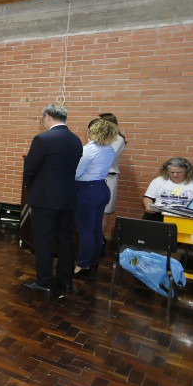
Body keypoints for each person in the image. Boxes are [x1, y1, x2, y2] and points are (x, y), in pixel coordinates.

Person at [22, 104, 83, 294]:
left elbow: (30, 169)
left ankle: (45, 281)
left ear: (47, 117)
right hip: (67, 197)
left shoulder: (42, 139)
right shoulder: (76, 140)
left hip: (45, 198)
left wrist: (32, 189)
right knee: (65, 239)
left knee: (43, 240)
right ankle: (65, 280)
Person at [73, 119, 118, 277]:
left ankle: (83, 265)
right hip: (101, 189)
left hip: (87, 191)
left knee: (85, 231)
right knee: (95, 229)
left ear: (91, 132)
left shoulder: (89, 150)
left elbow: (76, 173)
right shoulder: (109, 149)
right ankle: (93, 261)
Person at [97, 113, 126, 235]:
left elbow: (107, 157)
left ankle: (99, 240)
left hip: (108, 177)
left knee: (104, 211)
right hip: (94, 177)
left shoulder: (118, 139)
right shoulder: (98, 138)